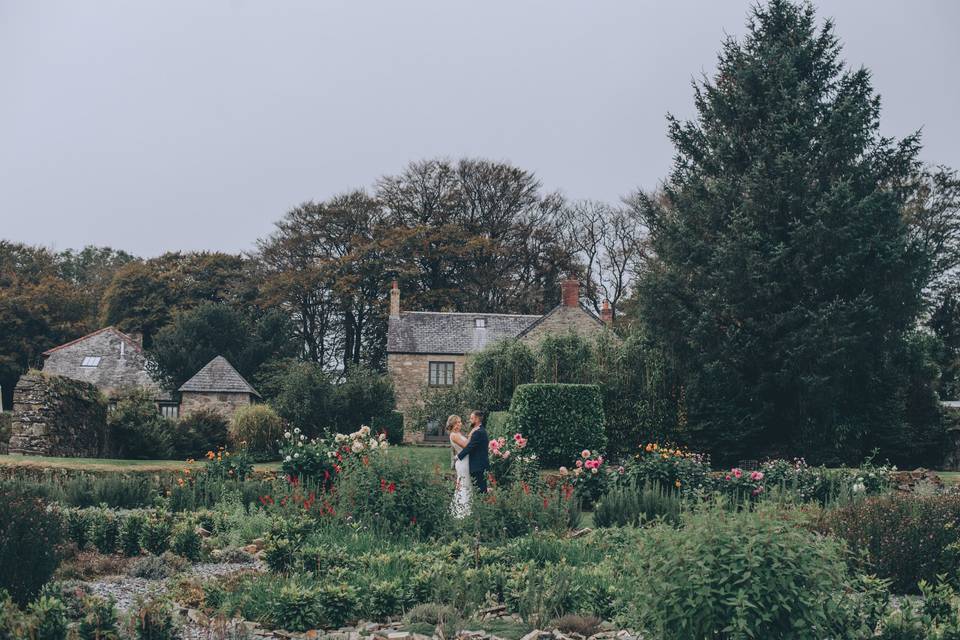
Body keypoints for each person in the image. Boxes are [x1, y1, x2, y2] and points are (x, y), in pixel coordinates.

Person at [457, 410, 490, 494]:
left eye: (471, 418)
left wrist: (458, 456)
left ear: (477, 419)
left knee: (480, 491)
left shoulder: (478, 432)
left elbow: (470, 447)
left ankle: (482, 506)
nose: (470, 420)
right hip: (481, 465)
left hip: (478, 466)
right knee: (481, 489)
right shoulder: (480, 430)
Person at [447, 414, 472, 517]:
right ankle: (462, 513)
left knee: (467, 484)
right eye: (457, 422)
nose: (460, 424)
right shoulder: (454, 435)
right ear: (453, 424)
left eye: (460, 422)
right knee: (464, 486)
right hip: (463, 463)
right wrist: (472, 435)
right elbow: (467, 446)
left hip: (465, 460)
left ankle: (467, 510)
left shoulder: (457, 433)